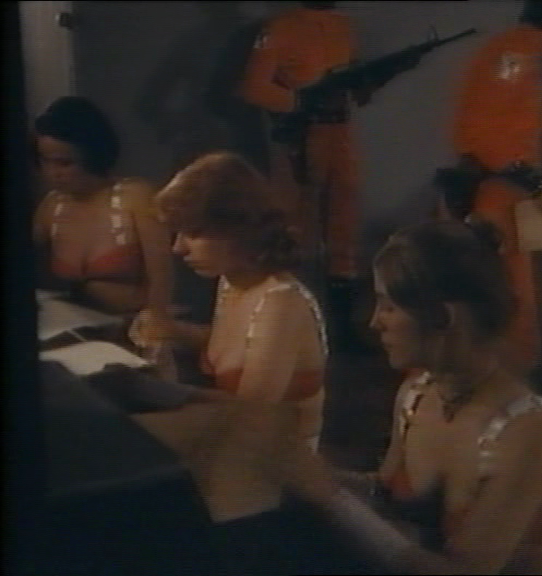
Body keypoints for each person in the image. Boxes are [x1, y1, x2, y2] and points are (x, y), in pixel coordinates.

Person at [267, 219, 542, 575]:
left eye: (389, 306)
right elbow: (385, 497)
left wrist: (333, 499)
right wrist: (302, 469)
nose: (374, 322)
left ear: (443, 317)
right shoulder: (418, 394)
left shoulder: (529, 429)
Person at [131, 151, 328, 452]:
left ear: (239, 228)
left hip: (278, 465)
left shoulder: (280, 304)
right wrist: (171, 330)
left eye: (193, 233)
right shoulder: (231, 281)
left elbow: (247, 415)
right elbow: (238, 343)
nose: (178, 248)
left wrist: (162, 394)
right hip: (238, 450)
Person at [450, 0, 542, 375]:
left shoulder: (502, 48)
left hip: (493, 188)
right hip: (513, 193)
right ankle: (512, 387)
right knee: (516, 300)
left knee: (494, 296)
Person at [237, 0, 363, 347]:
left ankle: (343, 327)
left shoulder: (342, 27)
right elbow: (254, 87)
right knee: (295, 227)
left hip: (340, 131)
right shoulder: (280, 28)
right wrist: (299, 102)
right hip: (301, 134)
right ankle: (290, 325)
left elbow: (351, 76)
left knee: (344, 225)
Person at [32, 96, 174, 318]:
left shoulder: (136, 197)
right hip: (77, 325)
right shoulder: (51, 207)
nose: (52, 173)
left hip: (136, 324)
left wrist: (157, 328)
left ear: (91, 155)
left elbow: (163, 282)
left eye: (64, 163)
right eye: (45, 161)